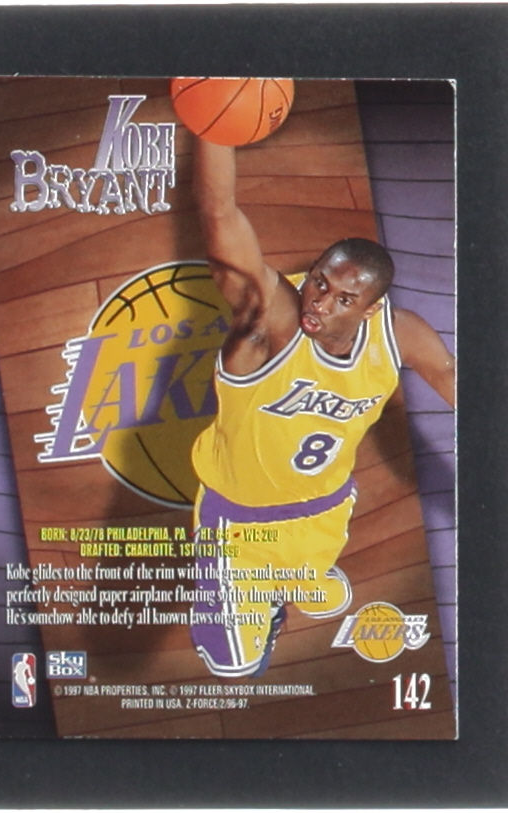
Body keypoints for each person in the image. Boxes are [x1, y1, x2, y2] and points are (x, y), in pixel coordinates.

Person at [189, 139, 455, 679]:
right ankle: (264, 599)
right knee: (235, 668)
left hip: (325, 510)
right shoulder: (269, 321)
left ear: (371, 309)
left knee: (317, 583)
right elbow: (219, 213)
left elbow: (462, 388)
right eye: (319, 282)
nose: (320, 302)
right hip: (239, 523)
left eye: (343, 299)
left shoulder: (400, 333)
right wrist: (211, 126)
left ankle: (296, 575)